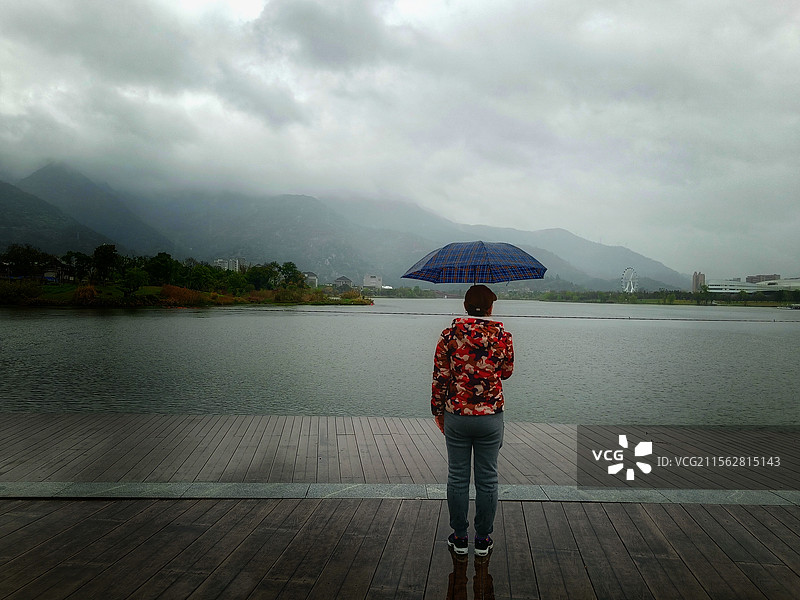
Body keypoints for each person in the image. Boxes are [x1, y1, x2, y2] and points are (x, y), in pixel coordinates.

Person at [432, 284, 514, 557]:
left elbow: (440, 377)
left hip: (457, 414)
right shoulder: (503, 336)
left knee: (457, 477)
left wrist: (438, 411)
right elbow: (506, 373)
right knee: (488, 479)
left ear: (466, 306)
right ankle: (482, 540)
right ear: (490, 308)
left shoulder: (449, 335)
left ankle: (459, 537)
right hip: (490, 416)